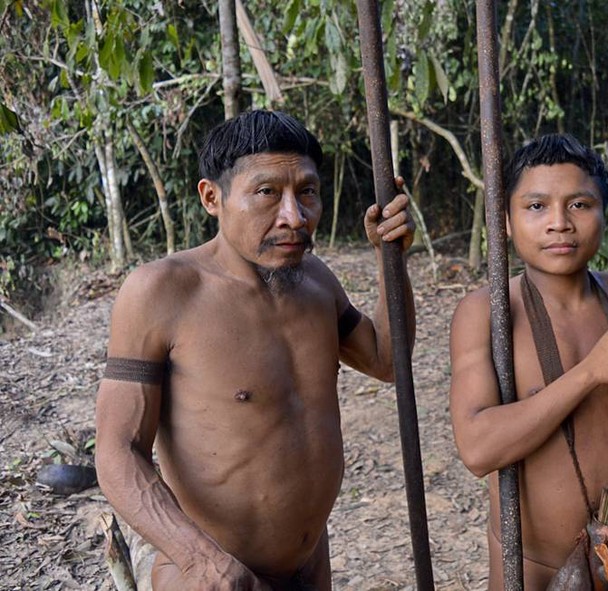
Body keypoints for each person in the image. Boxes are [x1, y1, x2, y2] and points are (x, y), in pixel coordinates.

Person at [94, 110, 415, 590]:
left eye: (307, 192)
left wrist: (391, 259)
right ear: (212, 198)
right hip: (212, 576)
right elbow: (117, 452)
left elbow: (388, 361)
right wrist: (200, 559)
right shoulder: (162, 292)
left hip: (309, 567)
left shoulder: (317, 283)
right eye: (267, 193)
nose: (294, 216)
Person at [449, 133, 608, 590]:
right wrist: (590, 372)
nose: (559, 224)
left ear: (604, 214)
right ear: (505, 221)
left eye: (579, 205)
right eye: (535, 207)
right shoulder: (486, 313)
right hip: (532, 572)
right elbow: (477, 447)